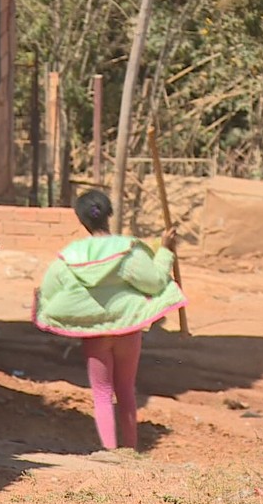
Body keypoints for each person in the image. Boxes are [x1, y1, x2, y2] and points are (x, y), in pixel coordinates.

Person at [33, 189, 187, 454]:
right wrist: (165, 251)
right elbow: (154, 281)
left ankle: (109, 451)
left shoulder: (70, 256)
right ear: (109, 214)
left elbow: (49, 289)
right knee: (126, 389)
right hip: (127, 328)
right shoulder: (127, 250)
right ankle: (130, 450)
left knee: (102, 393)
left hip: (95, 333)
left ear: (81, 220)